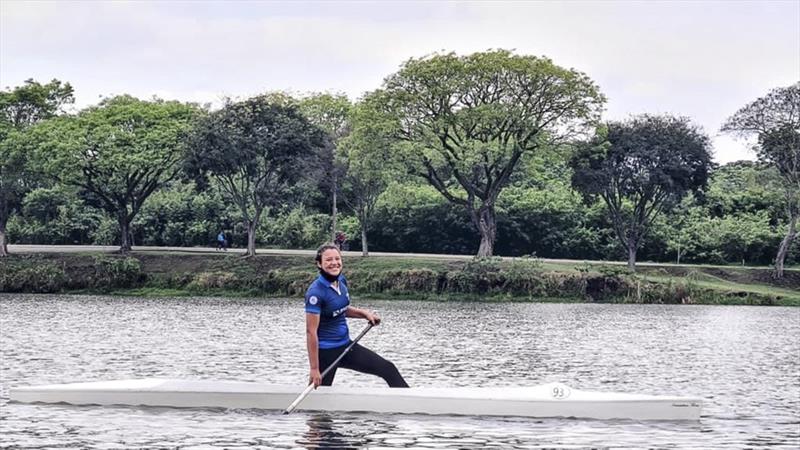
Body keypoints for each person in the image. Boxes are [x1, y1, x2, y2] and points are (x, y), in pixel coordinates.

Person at [305, 243, 408, 388]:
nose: (334, 263)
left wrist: (365, 314)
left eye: (337, 259)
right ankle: (309, 410)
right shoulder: (315, 293)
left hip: (346, 346)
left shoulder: (341, 281)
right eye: (328, 260)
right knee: (319, 395)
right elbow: (311, 332)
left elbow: (341, 309)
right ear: (319, 264)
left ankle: (409, 405)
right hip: (326, 353)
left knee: (388, 368)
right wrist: (314, 369)